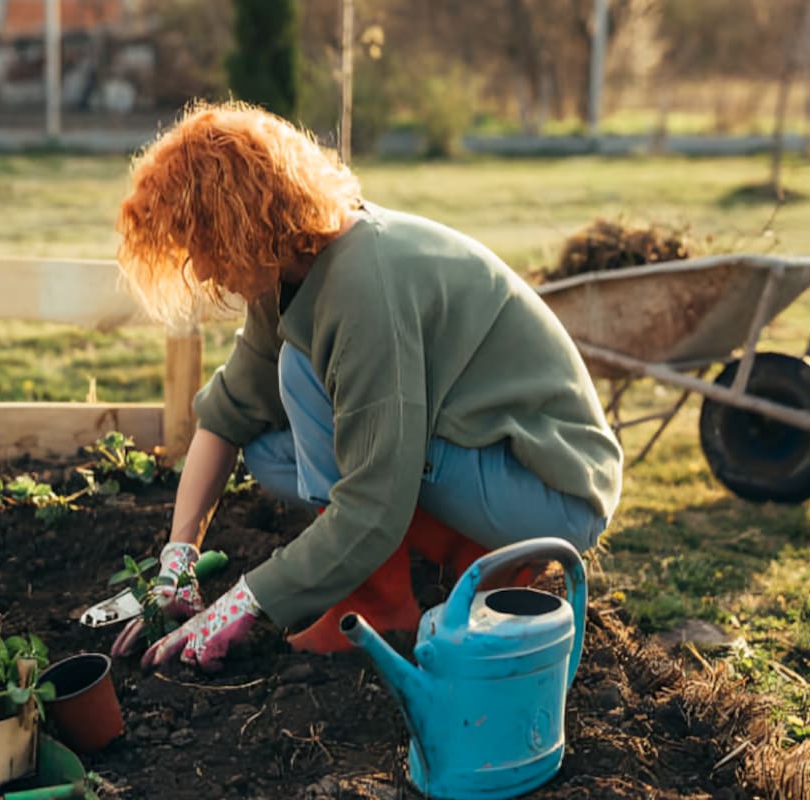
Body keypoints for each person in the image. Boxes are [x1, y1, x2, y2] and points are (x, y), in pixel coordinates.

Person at [109, 100, 623, 672]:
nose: (203, 270)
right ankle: (459, 554)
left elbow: (374, 503)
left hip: (550, 487)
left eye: (205, 244)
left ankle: (378, 604)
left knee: (299, 373)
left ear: (244, 223)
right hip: (481, 457)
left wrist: (246, 602)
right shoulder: (291, 270)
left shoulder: (363, 287)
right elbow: (227, 416)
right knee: (270, 452)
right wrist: (178, 561)